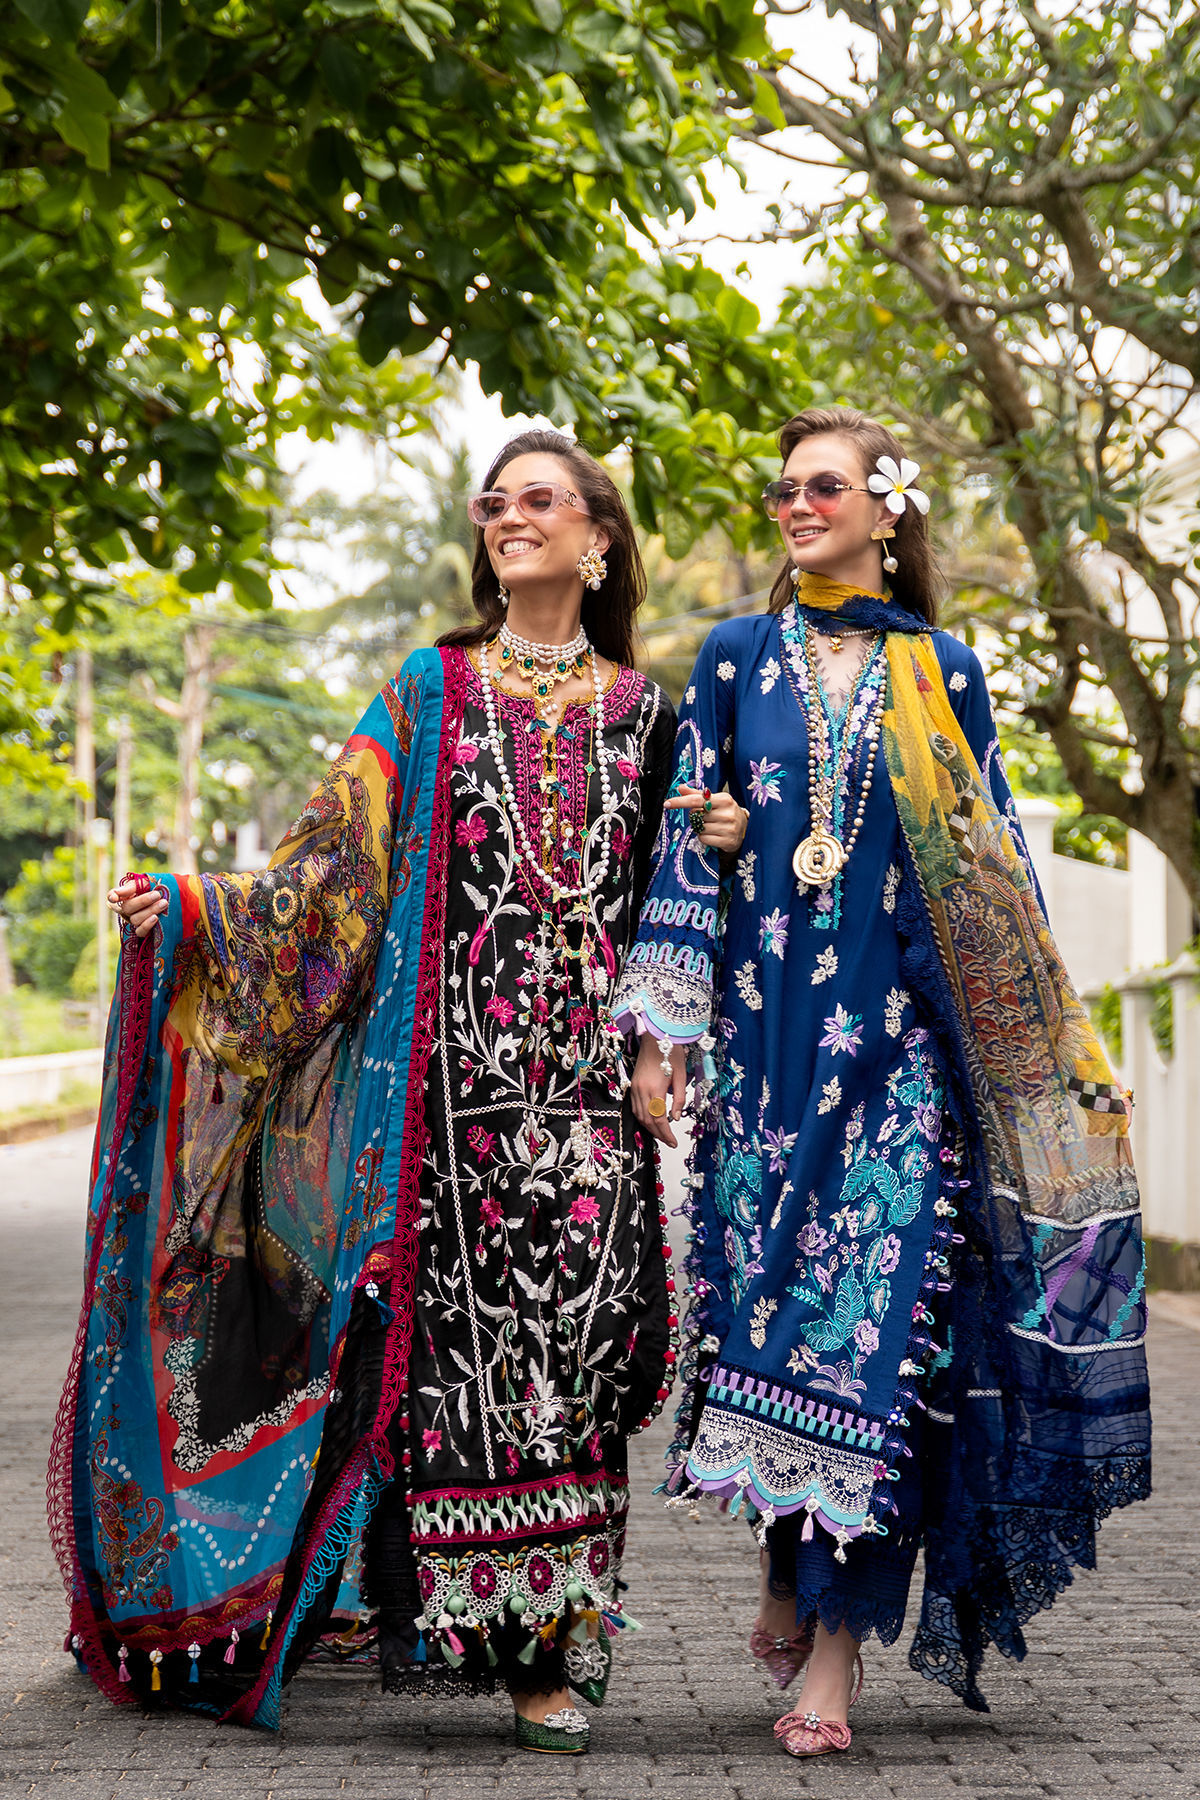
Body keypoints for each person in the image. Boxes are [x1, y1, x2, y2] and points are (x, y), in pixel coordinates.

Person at [52, 430, 684, 1755]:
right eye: (495, 503)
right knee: (451, 1370)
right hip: (442, 1113)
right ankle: (496, 1651)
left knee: (575, 1365)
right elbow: (328, 870)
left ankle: (562, 1636)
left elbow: (673, 907)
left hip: (586, 1109)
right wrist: (200, 912)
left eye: (541, 500)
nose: (511, 518)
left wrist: (664, 1039)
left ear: (598, 536)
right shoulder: (429, 690)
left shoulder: (648, 716)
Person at [614, 406, 1150, 1757]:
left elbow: (987, 863)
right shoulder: (735, 657)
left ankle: (834, 1655)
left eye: (824, 487)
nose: (797, 506)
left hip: (897, 1058)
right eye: (785, 490)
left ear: (884, 510)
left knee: (880, 1335)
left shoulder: (941, 671)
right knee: (771, 1325)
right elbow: (685, 838)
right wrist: (667, 1013)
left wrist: (1044, 1062)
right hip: (766, 1057)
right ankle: (783, 1572)